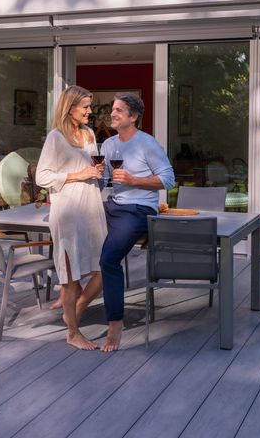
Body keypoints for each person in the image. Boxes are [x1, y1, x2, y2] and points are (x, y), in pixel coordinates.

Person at [98, 93, 175, 352]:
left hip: (138, 209)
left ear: (133, 117)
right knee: (73, 229)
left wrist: (134, 181)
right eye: (112, 109)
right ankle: (71, 301)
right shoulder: (108, 145)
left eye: (119, 110)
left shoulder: (147, 144)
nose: (113, 113)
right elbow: (106, 181)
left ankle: (115, 324)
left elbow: (167, 180)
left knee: (108, 260)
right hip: (112, 204)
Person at [36, 85, 107, 350]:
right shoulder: (56, 137)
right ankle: (73, 333)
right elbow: (42, 177)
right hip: (67, 211)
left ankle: (75, 311)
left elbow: (89, 167)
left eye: (90, 106)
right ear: (70, 108)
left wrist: (96, 171)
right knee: (69, 276)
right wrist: (78, 175)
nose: (90, 111)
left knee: (103, 269)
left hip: (91, 206)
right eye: (86, 107)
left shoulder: (89, 134)